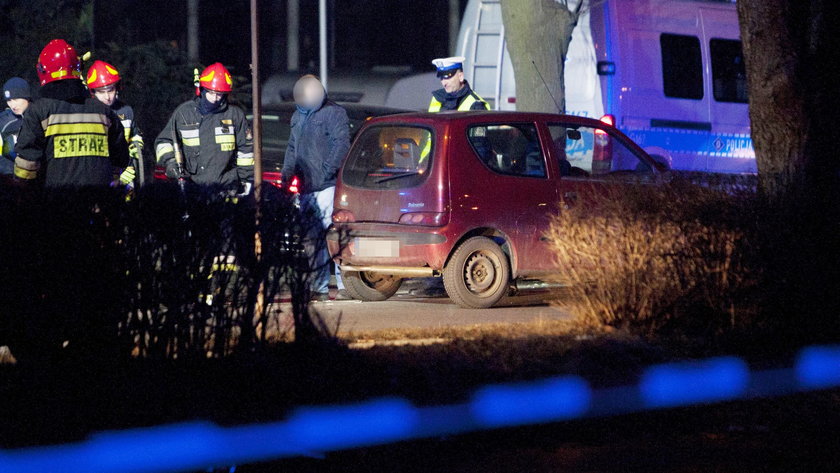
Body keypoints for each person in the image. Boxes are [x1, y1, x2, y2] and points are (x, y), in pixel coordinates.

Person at [13, 39, 129, 186]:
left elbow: (26, 168)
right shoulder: (103, 111)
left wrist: (22, 193)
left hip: (57, 203)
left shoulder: (38, 112)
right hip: (99, 202)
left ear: (43, 70)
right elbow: (121, 159)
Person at [282, 75, 350, 301]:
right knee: (313, 239)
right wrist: (287, 175)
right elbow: (292, 147)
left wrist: (326, 171)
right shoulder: (298, 115)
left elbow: (341, 144)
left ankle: (344, 286)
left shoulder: (333, 112)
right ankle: (319, 287)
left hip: (327, 186)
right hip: (307, 188)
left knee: (334, 236)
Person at [154, 62, 253, 189]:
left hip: (226, 186)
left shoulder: (234, 115)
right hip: (192, 186)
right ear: (201, 89)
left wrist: (245, 180)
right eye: (211, 93)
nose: (215, 98)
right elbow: (163, 142)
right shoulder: (184, 113)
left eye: (219, 94)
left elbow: (246, 151)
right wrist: (171, 163)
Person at [86, 60, 145, 188]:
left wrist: (136, 146)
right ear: (92, 92)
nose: (107, 97)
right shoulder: (88, 113)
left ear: (117, 87)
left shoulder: (126, 110)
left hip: (125, 172)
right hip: (98, 175)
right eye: (101, 91)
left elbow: (134, 135)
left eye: (110, 90)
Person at [1, 78, 32, 176]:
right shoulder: (3, 121)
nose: (12, 105)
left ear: (27, 97)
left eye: (16, 99)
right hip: (12, 180)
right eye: (9, 100)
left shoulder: (42, 116)